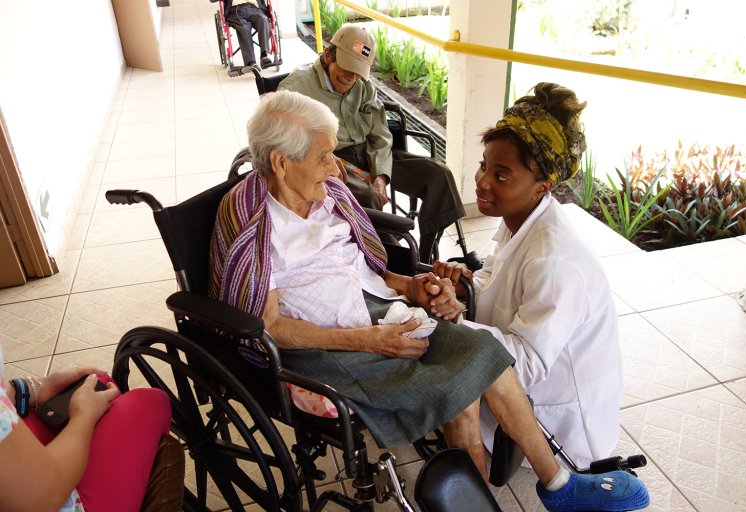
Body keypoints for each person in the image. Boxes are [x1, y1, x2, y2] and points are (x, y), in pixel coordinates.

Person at [209, 90, 649, 511]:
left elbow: (364, 270)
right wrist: (371, 341)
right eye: (324, 155)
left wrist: (409, 286)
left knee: (486, 352)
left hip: (374, 308)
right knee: (460, 389)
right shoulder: (251, 221)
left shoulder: (328, 196)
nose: (336, 167)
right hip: (327, 344)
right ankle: (527, 493)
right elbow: (271, 327)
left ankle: (556, 484)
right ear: (281, 164)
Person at [433, 82, 621, 468]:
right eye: (485, 164)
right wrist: (465, 284)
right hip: (529, 387)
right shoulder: (519, 220)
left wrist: (454, 320)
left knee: (449, 392)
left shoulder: (555, 261)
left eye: (502, 176)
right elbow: (496, 282)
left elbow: (530, 364)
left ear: (542, 186)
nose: (482, 181)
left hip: (563, 428)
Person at [278, 24, 465, 263]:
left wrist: (382, 175)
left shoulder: (363, 85)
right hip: (329, 161)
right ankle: (396, 260)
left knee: (439, 175)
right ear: (328, 56)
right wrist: (321, 156)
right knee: (368, 196)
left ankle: (426, 252)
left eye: (358, 72)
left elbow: (380, 134)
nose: (351, 78)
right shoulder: (297, 87)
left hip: (370, 154)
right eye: (347, 69)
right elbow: (280, 137)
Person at [0, 344, 172, 511]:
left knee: (101, 383)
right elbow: (40, 498)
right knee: (151, 402)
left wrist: (31, 389)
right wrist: (83, 416)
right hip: (46, 497)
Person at [224, 0, 273, 69]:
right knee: (244, 27)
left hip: (255, 8)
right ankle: (251, 62)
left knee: (263, 20)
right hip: (236, 10)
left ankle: (264, 55)